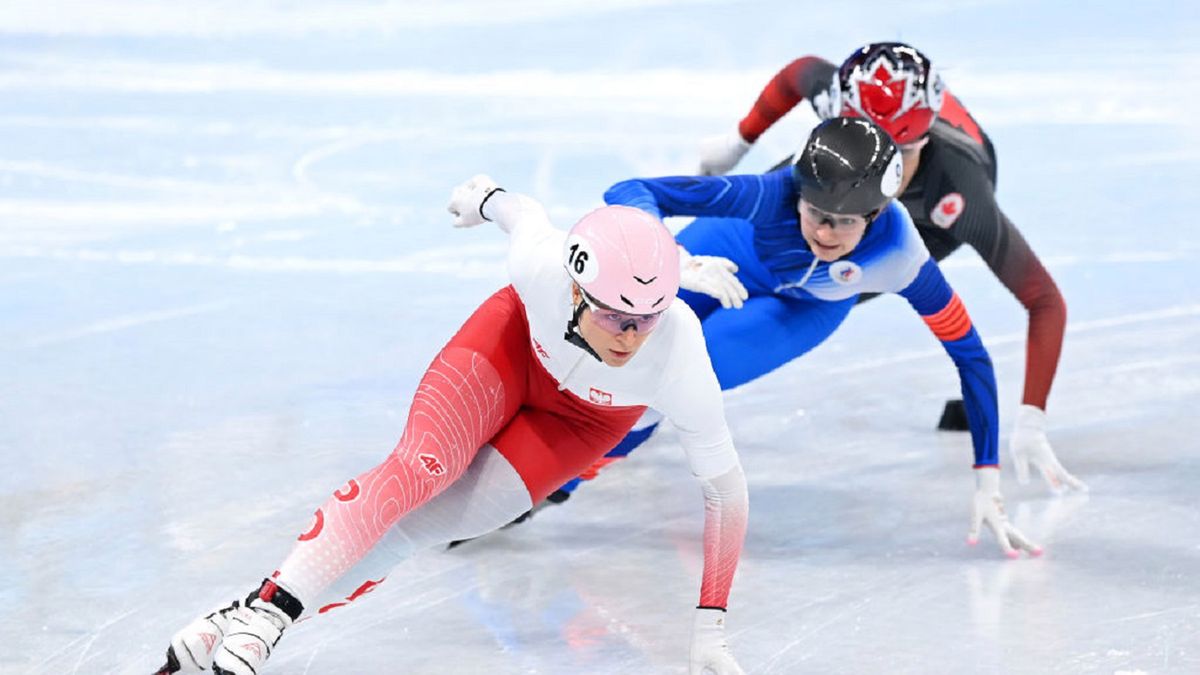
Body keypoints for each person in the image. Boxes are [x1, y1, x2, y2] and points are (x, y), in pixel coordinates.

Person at [153, 177, 749, 675]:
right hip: (511, 348)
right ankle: (266, 618)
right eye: (616, 315)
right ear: (574, 289)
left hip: (581, 422)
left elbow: (725, 490)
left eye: (646, 319)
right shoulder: (540, 265)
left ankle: (240, 616)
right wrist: (485, 195)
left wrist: (710, 627)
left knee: (420, 530)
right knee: (421, 469)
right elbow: (521, 212)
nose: (630, 336)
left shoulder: (680, 356)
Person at [591, 115, 1042, 559]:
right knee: (606, 332)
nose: (826, 233)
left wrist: (988, 478)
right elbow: (630, 192)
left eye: (846, 222)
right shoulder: (772, 194)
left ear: (877, 212)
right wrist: (678, 257)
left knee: (665, 385)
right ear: (798, 197)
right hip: (733, 248)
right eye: (817, 214)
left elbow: (970, 356)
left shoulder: (901, 254)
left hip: (804, 306)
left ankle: (556, 486)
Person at [695, 42, 1082, 493]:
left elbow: (1044, 299)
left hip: (925, 215)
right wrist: (738, 142)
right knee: (755, 226)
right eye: (856, 151)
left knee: (811, 290)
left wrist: (1031, 418)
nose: (867, 173)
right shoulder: (840, 109)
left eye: (888, 160)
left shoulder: (959, 197)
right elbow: (800, 72)